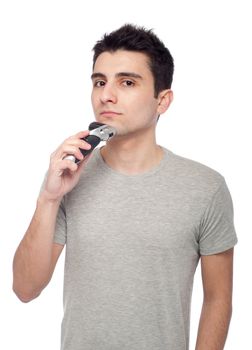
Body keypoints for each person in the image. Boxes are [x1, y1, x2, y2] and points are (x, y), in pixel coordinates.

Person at [12, 24, 238, 350]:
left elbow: (218, 299)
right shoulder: (68, 179)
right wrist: (48, 198)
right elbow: (25, 288)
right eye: (100, 82)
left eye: (127, 82)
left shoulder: (206, 188)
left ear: (162, 101)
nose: (107, 94)